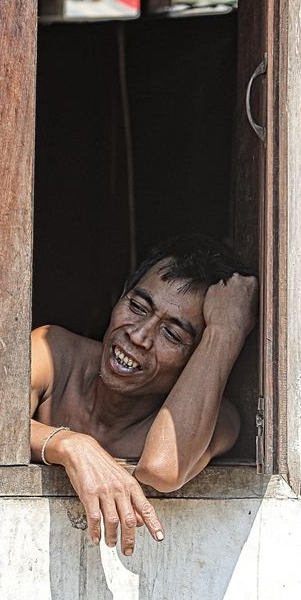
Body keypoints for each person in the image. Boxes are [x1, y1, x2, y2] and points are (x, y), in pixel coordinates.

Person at [30, 234, 257, 556]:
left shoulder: (217, 419)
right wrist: (71, 445)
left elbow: (163, 470)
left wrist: (226, 332)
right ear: (120, 295)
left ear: (200, 355)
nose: (138, 335)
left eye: (172, 334)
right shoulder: (54, 352)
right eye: (137, 307)